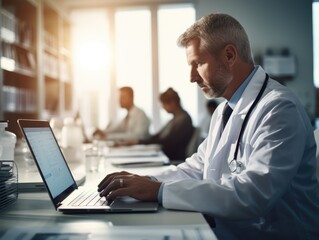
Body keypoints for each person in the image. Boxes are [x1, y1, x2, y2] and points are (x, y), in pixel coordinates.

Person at [97, 13, 319, 239]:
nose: (192, 77)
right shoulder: (224, 110)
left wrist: (160, 191)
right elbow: (197, 168)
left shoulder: (279, 108)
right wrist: (148, 181)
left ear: (229, 55)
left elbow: (253, 193)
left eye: (198, 64)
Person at [123, 88, 194, 161]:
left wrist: (140, 142)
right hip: (164, 155)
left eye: (163, 104)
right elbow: (158, 136)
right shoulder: (175, 119)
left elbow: (167, 142)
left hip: (170, 158)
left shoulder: (183, 120)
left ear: (172, 103)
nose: (163, 107)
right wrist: (139, 142)